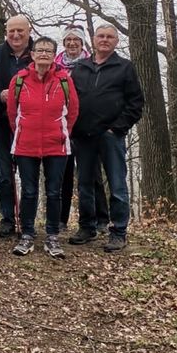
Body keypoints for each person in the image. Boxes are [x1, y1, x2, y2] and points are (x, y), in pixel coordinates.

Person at [68, 24, 144, 252]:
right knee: (85, 184)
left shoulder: (124, 67)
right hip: (83, 136)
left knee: (118, 185)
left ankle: (118, 231)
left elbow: (136, 103)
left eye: (109, 37)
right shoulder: (80, 67)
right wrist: (73, 128)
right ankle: (87, 227)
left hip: (111, 136)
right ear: (93, 39)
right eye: (101, 36)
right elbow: (71, 100)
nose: (104, 40)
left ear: (116, 41)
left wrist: (116, 129)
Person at [7, 36, 79, 258]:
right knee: (28, 191)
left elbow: (73, 111)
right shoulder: (19, 80)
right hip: (25, 145)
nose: (44, 54)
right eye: (40, 50)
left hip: (56, 145)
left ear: (54, 54)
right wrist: (23, 132)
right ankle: (27, 234)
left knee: (54, 192)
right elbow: (12, 113)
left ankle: (52, 235)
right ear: (32, 53)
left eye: (49, 50)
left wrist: (60, 132)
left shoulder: (64, 80)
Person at [55, 25, 109, 234]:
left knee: (91, 174)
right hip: (61, 126)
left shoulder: (91, 64)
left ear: (82, 43)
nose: (71, 43)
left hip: (86, 126)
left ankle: (101, 218)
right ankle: (61, 219)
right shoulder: (55, 66)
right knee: (63, 175)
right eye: (68, 39)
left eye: (75, 40)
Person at [0, 15, 34, 237]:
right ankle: (7, 219)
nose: (15, 35)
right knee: (5, 174)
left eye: (20, 31)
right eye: (11, 31)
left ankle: (27, 220)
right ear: (6, 31)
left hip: (31, 124)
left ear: (29, 31)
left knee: (28, 174)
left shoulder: (38, 53)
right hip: (2, 121)